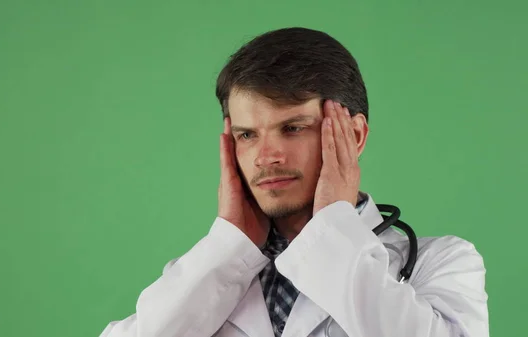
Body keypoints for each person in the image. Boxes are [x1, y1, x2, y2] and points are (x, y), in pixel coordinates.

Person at [98, 27, 489, 337]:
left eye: (293, 127)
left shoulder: (441, 264)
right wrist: (228, 247)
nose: (266, 157)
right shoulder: (210, 272)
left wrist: (333, 227)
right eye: (247, 135)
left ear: (353, 136)